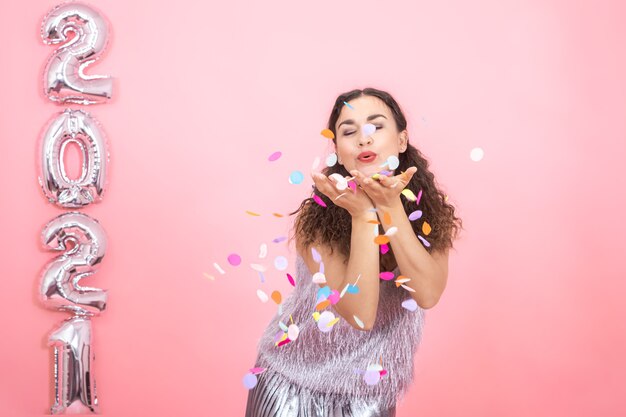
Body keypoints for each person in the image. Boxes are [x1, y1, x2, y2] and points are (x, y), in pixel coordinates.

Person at [245, 87, 463, 417]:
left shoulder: (427, 213)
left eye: (376, 126)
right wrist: (362, 215)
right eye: (349, 131)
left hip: (368, 394)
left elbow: (428, 293)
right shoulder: (317, 217)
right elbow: (360, 315)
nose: (363, 139)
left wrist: (390, 207)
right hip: (291, 381)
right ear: (337, 150)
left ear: (401, 141)